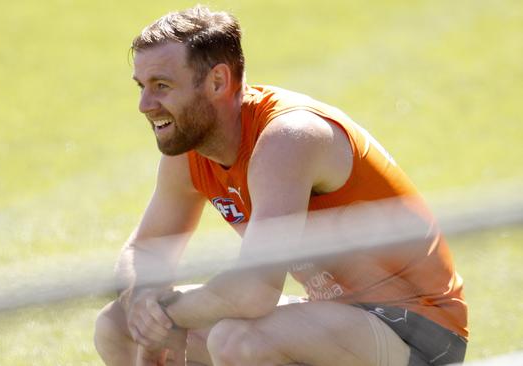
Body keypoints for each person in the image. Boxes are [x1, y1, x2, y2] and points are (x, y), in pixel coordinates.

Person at [94, 5, 468, 366]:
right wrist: (141, 301)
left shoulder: (288, 137)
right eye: (142, 86)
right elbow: (144, 251)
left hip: (415, 330)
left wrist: (168, 315)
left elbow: (254, 292)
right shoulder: (188, 149)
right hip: (330, 319)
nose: (145, 104)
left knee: (238, 341)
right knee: (117, 326)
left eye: (162, 86)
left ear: (217, 82)